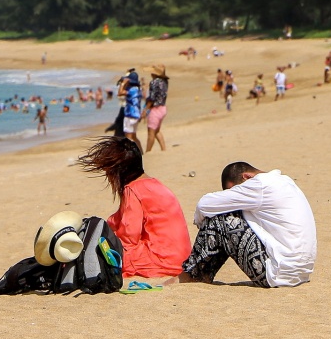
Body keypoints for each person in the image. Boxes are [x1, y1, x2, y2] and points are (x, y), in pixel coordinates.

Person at [177, 161, 317, 288]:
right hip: (299, 273)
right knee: (230, 214)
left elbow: (204, 205)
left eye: (236, 190)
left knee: (221, 218)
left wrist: (201, 222)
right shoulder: (284, 181)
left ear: (247, 177)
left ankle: (191, 275)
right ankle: (201, 274)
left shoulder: (259, 185)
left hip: (279, 274)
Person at [76, 137, 191, 280]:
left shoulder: (133, 190)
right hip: (182, 255)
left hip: (163, 259)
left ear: (119, 172)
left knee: (103, 254)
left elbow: (129, 237)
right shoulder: (153, 184)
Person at [144, 64, 169, 151]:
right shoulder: (165, 81)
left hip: (156, 109)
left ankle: (148, 151)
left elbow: (152, 97)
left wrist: (145, 109)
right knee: (157, 131)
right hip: (163, 108)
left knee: (151, 133)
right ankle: (163, 149)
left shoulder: (154, 82)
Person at [120, 68, 143, 149]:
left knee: (128, 137)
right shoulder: (138, 90)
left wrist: (123, 83)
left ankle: (130, 154)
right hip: (136, 115)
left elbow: (120, 93)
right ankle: (141, 152)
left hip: (130, 115)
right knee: (134, 136)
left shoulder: (132, 90)